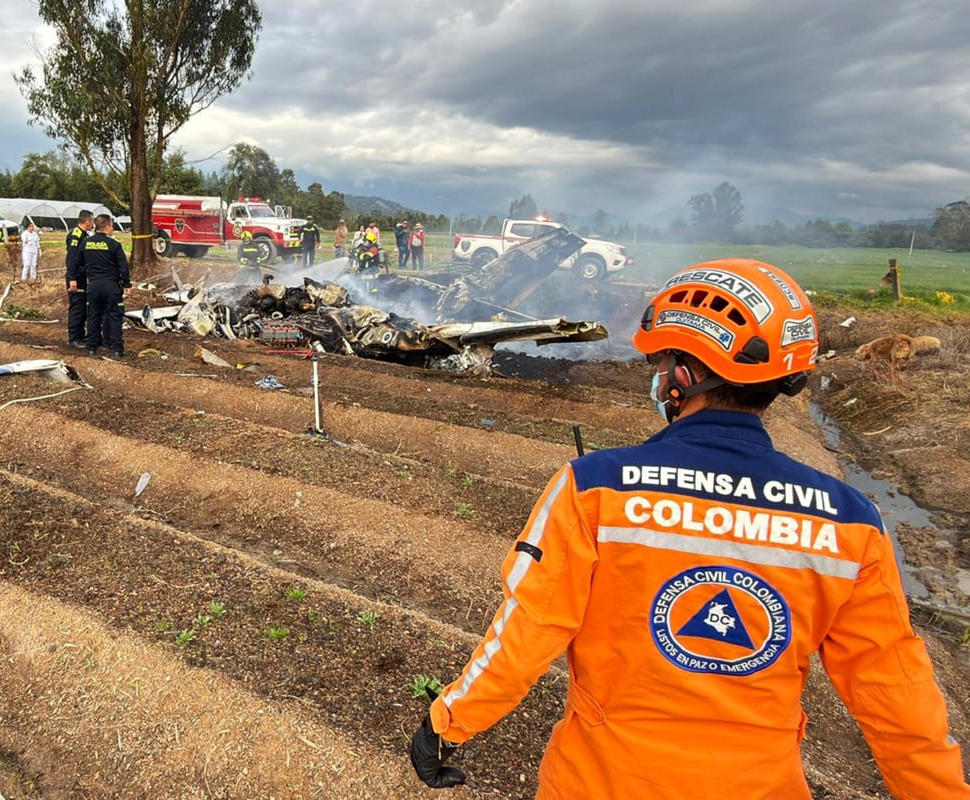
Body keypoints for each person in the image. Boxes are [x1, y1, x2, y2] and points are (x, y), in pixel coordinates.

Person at [409, 258, 970, 800]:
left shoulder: (595, 487)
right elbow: (895, 690)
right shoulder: (850, 519)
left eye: (661, 361)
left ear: (685, 374)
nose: (656, 377)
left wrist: (449, 723)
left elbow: (528, 630)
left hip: (601, 783)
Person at [82, 214, 130, 358]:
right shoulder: (114, 244)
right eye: (112, 226)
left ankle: (91, 347)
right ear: (107, 226)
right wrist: (126, 284)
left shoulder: (86, 243)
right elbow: (123, 266)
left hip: (93, 285)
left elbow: (79, 262)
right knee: (115, 316)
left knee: (93, 316)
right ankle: (117, 349)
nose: (112, 229)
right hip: (111, 286)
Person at [64, 209, 93, 348]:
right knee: (77, 307)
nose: (93, 223)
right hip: (76, 277)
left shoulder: (84, 235)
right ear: (87, 221)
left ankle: (81, 336)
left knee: (82, 307)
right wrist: (72, 278)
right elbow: (71, 259)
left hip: (83, 276)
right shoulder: (76, 236)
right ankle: (74, 338)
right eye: (92, 221)